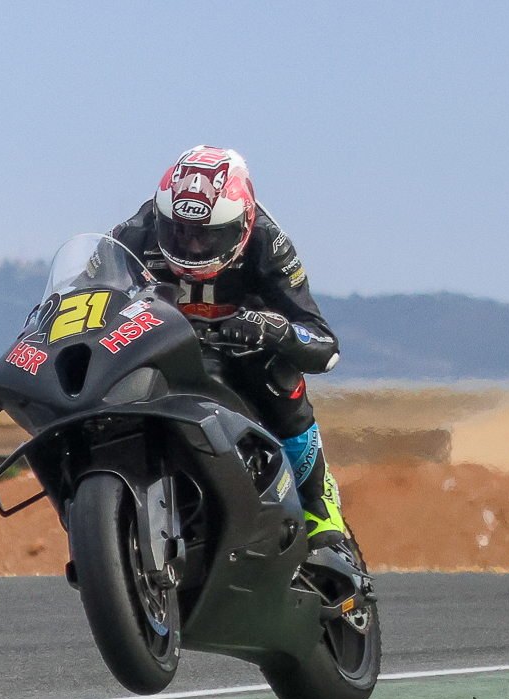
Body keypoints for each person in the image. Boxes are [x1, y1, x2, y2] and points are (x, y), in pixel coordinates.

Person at [111, 145, 348, 550]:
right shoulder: (134, 232)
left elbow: (324, 344)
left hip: (239, 357)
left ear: (241, 224)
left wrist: (275, 330)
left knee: (279, 373)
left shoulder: (267, 241)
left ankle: (317, 501)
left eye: (207, 234)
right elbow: (89, 293)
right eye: (179, 231)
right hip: (159, 352)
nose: (191, 246)